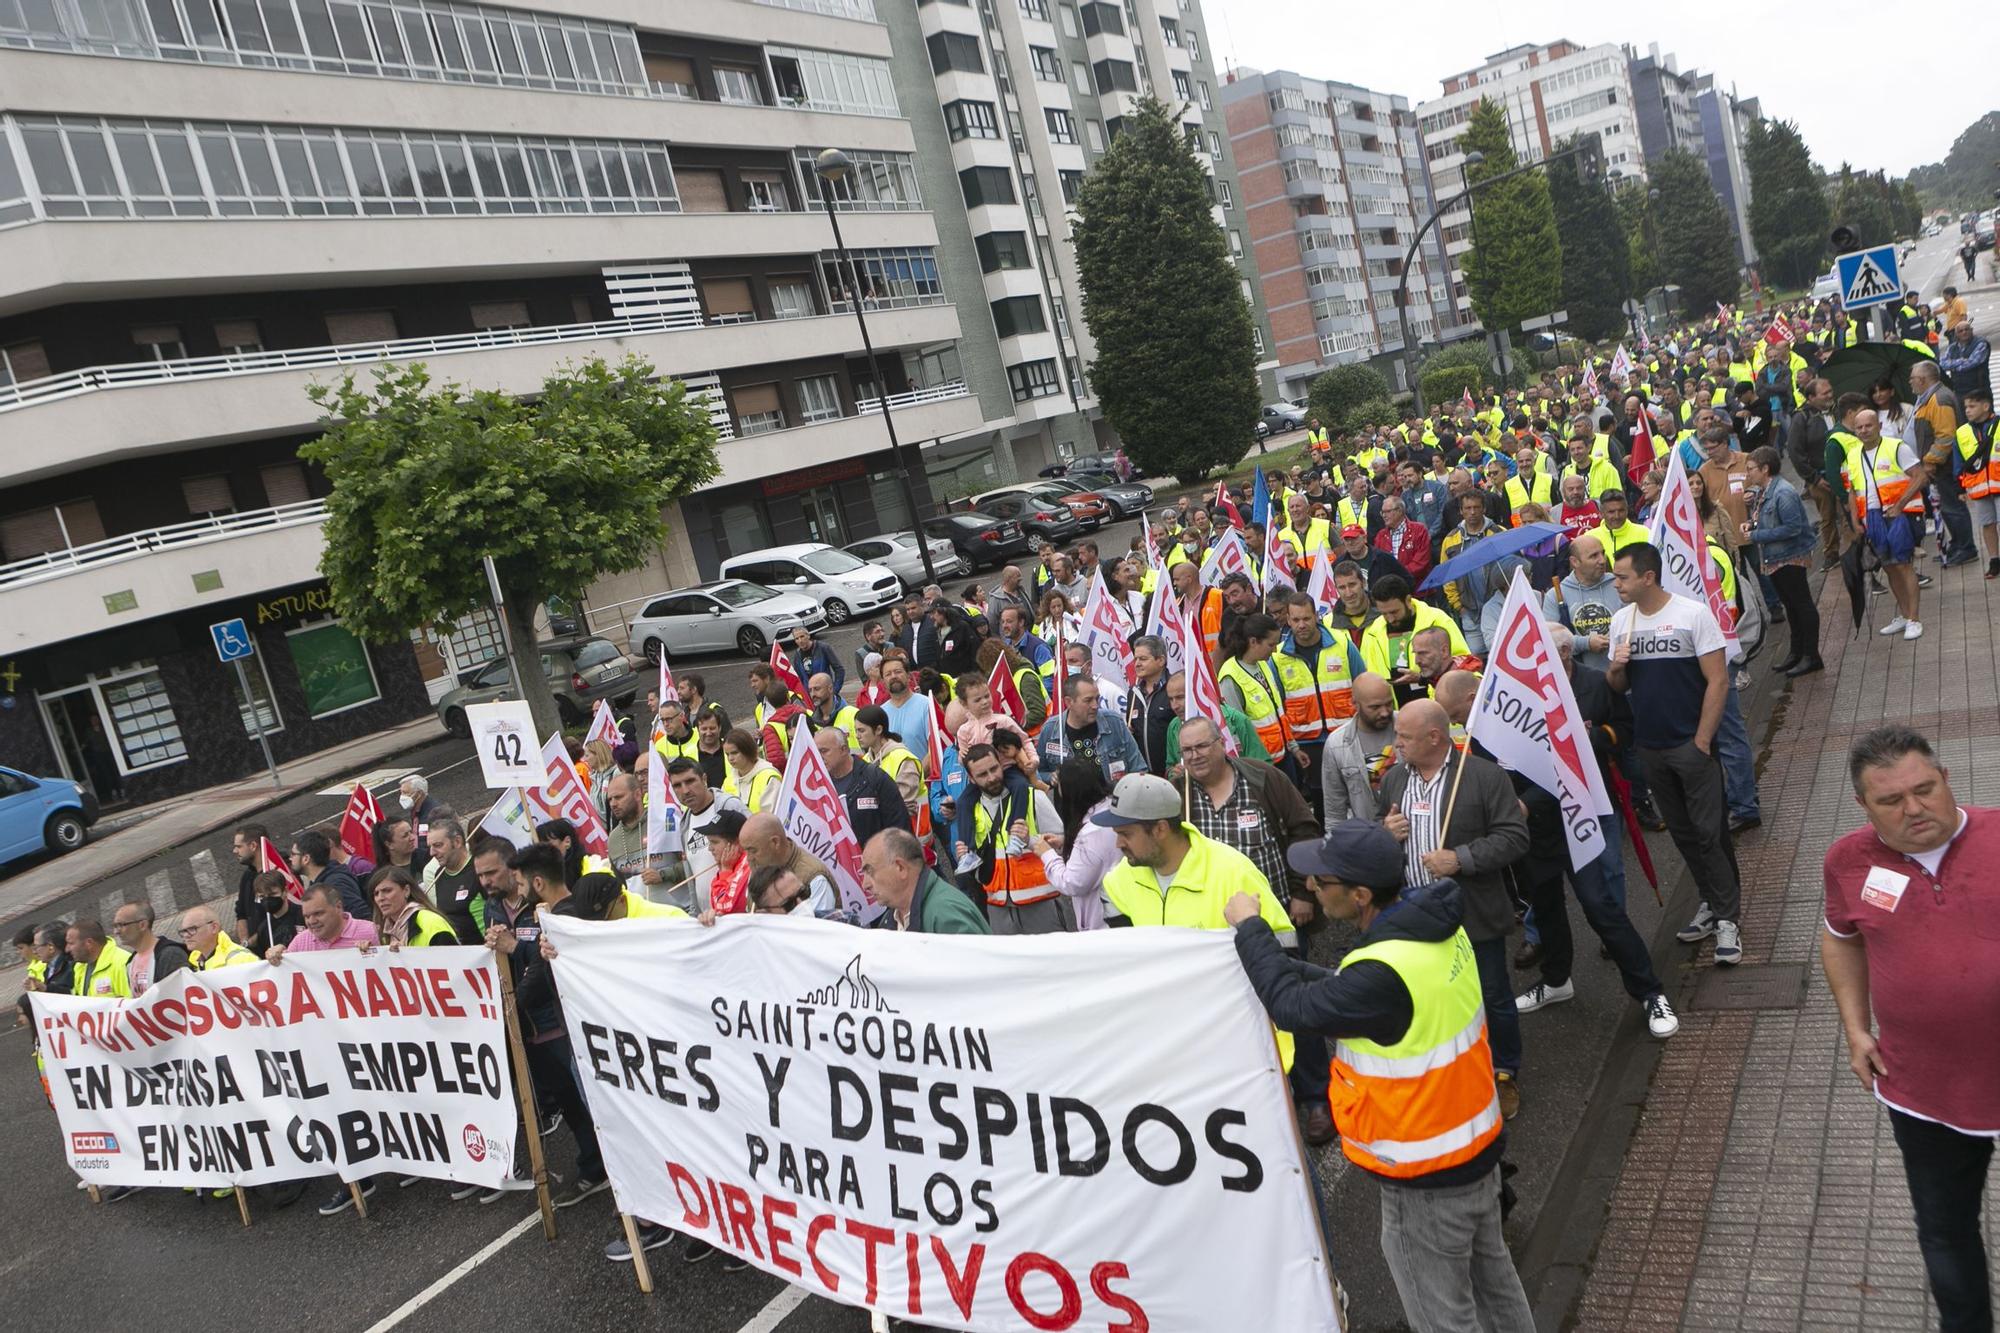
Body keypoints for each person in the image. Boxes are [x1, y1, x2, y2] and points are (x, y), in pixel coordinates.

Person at [1223, 820, 1533, 1333]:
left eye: (1321, 881)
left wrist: (1251, 929)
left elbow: (1293, 1009)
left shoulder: (1380, 972)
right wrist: (1293, 966)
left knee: (1443, 1318)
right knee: (1496, 1288)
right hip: (1476, 1151)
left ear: (1360, 895)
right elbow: (1359, 993)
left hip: (1425, 1180)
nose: (1312, 888)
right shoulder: (1433, 930)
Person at [1822, 727, 2000, 1332]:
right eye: (1891, 801)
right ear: (1863, 808)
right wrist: (1855, 1029)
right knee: (1945, 1232)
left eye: (1924, 789)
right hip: (1924, 1092)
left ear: (1947, 779)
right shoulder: (1848, 862)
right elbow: (1839, 939)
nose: (1914, 808)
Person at [1378, 700, 1531, 1117]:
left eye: (1405, 737)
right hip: (1412, 913)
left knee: (1491, 995)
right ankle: (1446, 1072)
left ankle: (1502, 1071)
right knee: (1429, 999)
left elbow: (1514, 837)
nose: (1397, 744)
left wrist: (1460, 858)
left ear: (1435, 737)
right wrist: (1383, 833)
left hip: (1472, 912)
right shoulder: (1393, 780)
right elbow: (1377, 832)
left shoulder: (1482, 776)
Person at [1607, 543, 1743, 965]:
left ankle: (1727, 919)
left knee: (1711, 833)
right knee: (1683, 833)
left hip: (1690, 745)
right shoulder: (1620, 621)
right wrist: (1615, 667)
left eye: (1623, 578)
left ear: (1648, 577)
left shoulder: (1692, 614)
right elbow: (1617, 688)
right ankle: (1709, 901)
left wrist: (1702, 740)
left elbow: (1718, 682)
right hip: (1651, 748)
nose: (1617, 584)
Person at [480, 841, 611, 1209]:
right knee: (572, 1103)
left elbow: (542, 971)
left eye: (516, 881)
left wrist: (515, 954)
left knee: (592, 1105)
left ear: (535, 882)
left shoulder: (565, 917)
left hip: (564, 1027)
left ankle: (608, 1170)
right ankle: (596, 1165)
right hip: (538, 1026)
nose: (491, 882)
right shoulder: (498, 907)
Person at [952, 743, 1069, 933]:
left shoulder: (1033, 798)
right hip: (998, 908)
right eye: (982, 775)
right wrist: (966, 856)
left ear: (1001, 764)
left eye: (994, 769)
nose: (991, 778)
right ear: (971, 779)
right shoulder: (971, 811)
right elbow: (982, 860)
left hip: (1041, 905)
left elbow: (1065, 843)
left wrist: (1031, 840)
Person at [1842, 406, 1927, 640]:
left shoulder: (1896, 446)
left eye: (1869, 425)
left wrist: (1900, 505)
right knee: (1888, 567)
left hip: (1898, 515)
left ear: (1879, 425)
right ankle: (1903, 614)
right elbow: (1852, 490)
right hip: (1871, 518)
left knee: (1903, 564)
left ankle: (1914, 619)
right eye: (1859, 427)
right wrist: (1855, 521)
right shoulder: (1852, 455)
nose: (1864, 430)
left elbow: (1920, 476)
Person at [1743, 446, 1821, 676]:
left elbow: (1793, 528)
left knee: (1801, 604)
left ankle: (1811, 655)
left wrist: (1757, 535)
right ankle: (1796, 652)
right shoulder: (1765, 491)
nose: (1748, 474)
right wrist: (1753, 525)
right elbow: (1769, 519)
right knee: (1791, 606)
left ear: (1765, 469)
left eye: (1751, 469)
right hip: (1777, 558)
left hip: (1789, 557)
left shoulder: (1783, 493)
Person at [1025, 756, 1117, 930]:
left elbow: (1073, 883)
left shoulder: (1091, 834)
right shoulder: (1109, 813)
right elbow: (1100, 852)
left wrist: (1047, 855)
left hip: (1101, 925)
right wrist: (1067, 841)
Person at [861, 828, 990, 934]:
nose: (865, 885)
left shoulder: (947, 916)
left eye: (870, 871)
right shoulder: (895, 916)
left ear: (900, 867)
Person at [1217, 612, 1302, 773]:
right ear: (1253, 642)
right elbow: (1234, 729)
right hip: (1259, 764)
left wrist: (1293, 747)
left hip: (1282, 755)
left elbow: (1277, 711)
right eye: (1271, 645)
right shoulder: (1230, 676)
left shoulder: (1263, 664)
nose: (1275, 650)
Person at [1035, 674, 1145, 784]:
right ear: (1069, 702)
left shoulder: (1114, 722)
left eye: (1097, 698)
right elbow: (1038, 773)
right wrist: (1051, 777)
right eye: (1088, 700)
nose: (1095, 705)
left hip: (1114, 798)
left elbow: (1139, 768)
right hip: (1072, 800)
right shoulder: (1051, 730)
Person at [815, 725, 911, 848]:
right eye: (816, 752)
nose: (819, 757)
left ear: (844, 750)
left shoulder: (875, 779)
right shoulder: (818, 785)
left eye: (824, 751)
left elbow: (899, 827)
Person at [1322, 671, 1398, 826]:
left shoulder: (1409, 728)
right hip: (1368, 840)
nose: (1384, 712)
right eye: (1375, 707)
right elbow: (1334, 811)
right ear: (1355, 704)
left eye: (1389, 704)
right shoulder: (1337, 744)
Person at [740, 813, 841, 918]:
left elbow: (818, 930)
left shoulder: (815, 878)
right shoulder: (758, 866)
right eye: (746, 851)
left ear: (775, 842)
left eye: (753, 850)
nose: (749, 858)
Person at [1955, 387, 2000, 579]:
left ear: (1986, 406)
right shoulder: (1962, 432)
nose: (1968, 410)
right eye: (1966, 407)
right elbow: (1959, 462)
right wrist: (1960, 487)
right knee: (1987, 524)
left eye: (1972, 406)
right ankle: (1994, 560)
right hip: (1979, 486)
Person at [419, 818, 482, 942]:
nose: (432, 852)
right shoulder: (438, 875)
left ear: (457, 841)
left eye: (438, 845)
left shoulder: (478, 869)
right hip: (457, 955)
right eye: (430, 847)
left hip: (486, 953)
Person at [108, 900, 188, 997]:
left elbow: (181, 997)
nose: (116, 931)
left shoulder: (170, 955)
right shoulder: (131, 962)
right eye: (115, 926)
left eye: (121, 925)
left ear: (142, 925)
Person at [290, 829, 369, 923]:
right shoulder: (324, 881)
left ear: (306, 859)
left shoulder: (336, 883)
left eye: (293, 854)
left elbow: (362, 915)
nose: (290, 858)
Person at [1124, 635, 1175, 776]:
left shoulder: (1174, 688)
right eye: (1136, 659)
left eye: (1143, 659)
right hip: (1143, 775)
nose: (1137, 664)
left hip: (1171, 773)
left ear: (1161, 660)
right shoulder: (1134, 693)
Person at [722, 727, 781, 814]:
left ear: (747, 750)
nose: (730, 758)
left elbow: (776, 816)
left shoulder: (769, 778)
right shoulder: (728, 781)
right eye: (727, 754)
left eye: (734, 753)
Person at [181, 906, 256, 970]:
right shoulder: (194, 963)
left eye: (192, 929)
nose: (186, 935)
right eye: (183, 931)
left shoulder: (242, 960)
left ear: (214, 927)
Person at [1325, 560, 1380, 644]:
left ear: (1363, 583)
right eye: (1342, 587)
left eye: (1352, 585)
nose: (1348, 593)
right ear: (1336, 589)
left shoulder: (1384, 614)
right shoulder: (1327, 623)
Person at [786, 625, 844, 696]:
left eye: (802, 636)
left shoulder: (823, 648)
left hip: (826, 693)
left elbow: (839, 669)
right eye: (796, 639)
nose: (800, 641)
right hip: (810, 697)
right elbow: (798, 679)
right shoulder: (797, 655)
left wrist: (834, 691)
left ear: (808, 636)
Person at [802, 671, 857, 739]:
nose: (813, 694)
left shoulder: (852, 714)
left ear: (830, 689)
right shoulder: (812, 722)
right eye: (810, 690)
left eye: (817, 689)